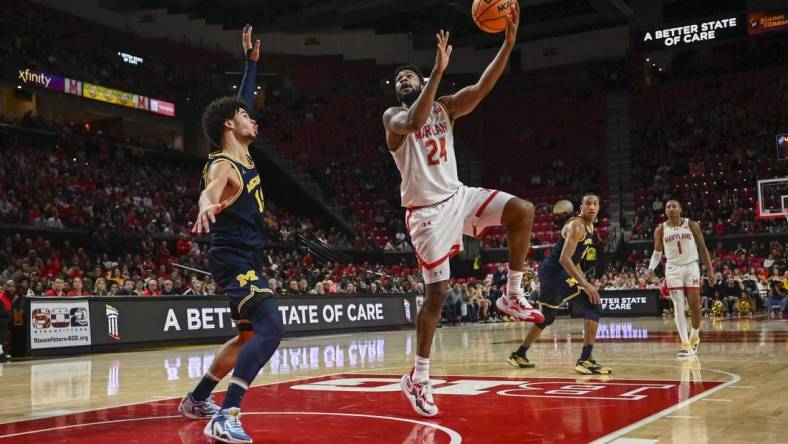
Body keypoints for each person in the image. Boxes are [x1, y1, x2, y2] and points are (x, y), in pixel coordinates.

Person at [382, 4, 543, 417]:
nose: (404, 79)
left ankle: (511, 294)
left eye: (410, 75)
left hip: (458, 196)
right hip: (426, 214)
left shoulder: (447, 107)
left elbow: (482, 87)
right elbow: (416, 123)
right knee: (437, 294)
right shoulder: (393, 117)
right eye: (400, 79)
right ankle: (418, 377)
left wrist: (507, 46)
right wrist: (434, 73)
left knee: (522, 210)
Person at [178, 26, 281, 444]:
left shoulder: (242, 151)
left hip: (243, 256)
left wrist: (251, 64)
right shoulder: (224, 163)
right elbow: (211, 189)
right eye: (244, 116)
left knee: (248, 335)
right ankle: (226, 415)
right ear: (228, 125)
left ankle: (197, 398)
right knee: (271, 328)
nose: (252, 117)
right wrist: (205, 203)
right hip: (233, 257)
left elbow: (243, 101)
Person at [508, 194, 612, 375]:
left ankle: (519, 354)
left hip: (551, 270)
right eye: (588, 203)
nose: (592, 207)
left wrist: (584, 281)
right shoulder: (577, 225)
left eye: (595, 204)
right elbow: (565, 259)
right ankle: (585, 360)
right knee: (593, 306)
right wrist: (586, 286)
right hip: (556, 271)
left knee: (547, 317)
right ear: (581, 207)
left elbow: (575, 259)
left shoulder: (590, 226)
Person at [648, 200, 713, 358]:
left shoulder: (692, 225)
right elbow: (657, 252)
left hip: (691, 267)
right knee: (678, 305)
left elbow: (703, 248)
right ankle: (685, 343)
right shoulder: (660, 229)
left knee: (695, 305)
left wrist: (710, 270)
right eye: (668, 207)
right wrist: (650, 268)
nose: (671, 209)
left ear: (680, 209)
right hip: (673, 269)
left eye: (674, 206)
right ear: (665, 211)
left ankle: (695, 335)